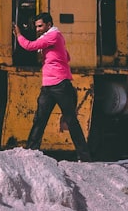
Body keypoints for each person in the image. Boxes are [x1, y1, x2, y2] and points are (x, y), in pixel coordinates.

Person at [13, 12, 89, 160]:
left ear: (49, 25)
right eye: (36, 27)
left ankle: (84, 156)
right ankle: (30, 151)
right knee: (39, 119)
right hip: (48, 85)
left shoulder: (53, 36)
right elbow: (67, 56)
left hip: (60, 84)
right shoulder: (53, 38)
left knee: (71, 120)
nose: (37, 29)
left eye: (40, 26)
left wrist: (18, 34)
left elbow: (29, 46)